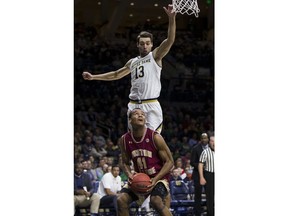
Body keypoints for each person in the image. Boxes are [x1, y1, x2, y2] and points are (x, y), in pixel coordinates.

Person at [82, 4, 176, 134]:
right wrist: (94, 77)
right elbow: (115, 74)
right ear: (137, 45)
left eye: (148, 43)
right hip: (133, 105)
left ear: (152, 44)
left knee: (153, 139)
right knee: (134, 140)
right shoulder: (132, 62)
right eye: (142, 43)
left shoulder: (155, 56)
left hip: (151, 104)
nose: (145, 46)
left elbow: (170, 40)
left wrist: (171, 18)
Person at [117, 108, 174, 216]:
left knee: (155, 200)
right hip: (140, 178)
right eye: (136, 114)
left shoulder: (155, 137)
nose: (140, 116)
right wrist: (130, 175)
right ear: (129, 120)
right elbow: (125, 162)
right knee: (121, 200)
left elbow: (170, 162)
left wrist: (155, 179)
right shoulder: (124, 140)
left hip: (159, 178)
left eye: (143, 114)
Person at [191, 133, 209, 216]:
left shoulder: (212, 148)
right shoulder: (195, 149)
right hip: (197, 175)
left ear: (208, 139)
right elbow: (192, 162)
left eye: (205, 138)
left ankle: (210, 211)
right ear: (200, 139)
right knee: (198, 195)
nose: (204, 140)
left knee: (210, 194)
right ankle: (197, 213)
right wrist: (201, 166)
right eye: (202, 138)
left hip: (209, 174)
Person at [199, 136, 215, 216]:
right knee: (210, 197)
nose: (214, 143)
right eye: (212, 141)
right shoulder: (205, 152)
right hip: (210, 175)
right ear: (209, 142)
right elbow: (200, 164)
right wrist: (202, 177)